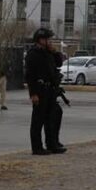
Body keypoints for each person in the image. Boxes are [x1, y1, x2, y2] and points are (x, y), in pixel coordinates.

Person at [25, 27, 67, 155]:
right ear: (40, 40)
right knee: (38, 120)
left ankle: (52, 144)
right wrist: (33, 94)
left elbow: (59, 63)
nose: (49, 41)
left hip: (50, 90)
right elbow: (30, 76)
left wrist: (54, 52)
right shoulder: (33, 54)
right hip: (40, 89)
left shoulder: (48, 53)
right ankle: (37, 147)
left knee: (51, 118)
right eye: (47, 39)